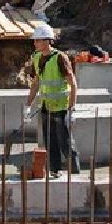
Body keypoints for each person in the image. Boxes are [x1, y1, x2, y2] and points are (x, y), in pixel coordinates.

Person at [23, 24, 80, 175]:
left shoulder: (60, 58)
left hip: (61, 108)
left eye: (38, 40)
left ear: (48, 41)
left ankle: (75, 172)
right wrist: (28, 106)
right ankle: (55, 170)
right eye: (34, 40)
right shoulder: (36, 57)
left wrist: (71, 109)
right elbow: (36, 83)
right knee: (50, 141)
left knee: (65, 142)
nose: (35, 43)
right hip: (46, 106)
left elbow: (73, 84)